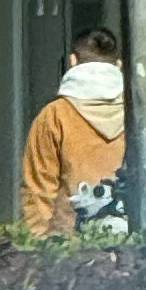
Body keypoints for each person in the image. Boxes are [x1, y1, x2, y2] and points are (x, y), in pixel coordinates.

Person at [19, 26, 128, 236]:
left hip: (72, 254)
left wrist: (44, 247)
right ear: (119, 66)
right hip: (135, 251)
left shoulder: (54, 116)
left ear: (72, 61)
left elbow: (38, 193)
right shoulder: (138, 115)